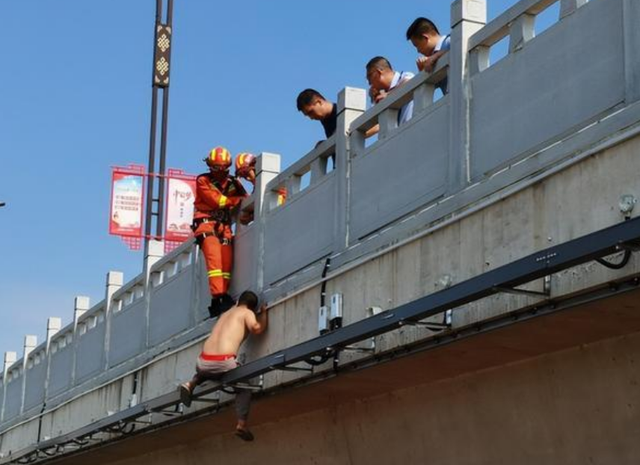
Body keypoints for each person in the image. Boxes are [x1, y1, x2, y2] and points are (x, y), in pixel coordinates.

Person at [179, 290, 268, 441]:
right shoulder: (246, 313)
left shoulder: (225, 313)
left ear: (238, 301)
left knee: (205, 371)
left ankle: (190, 384)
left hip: (202, 362)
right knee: (244, 386)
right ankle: (241, 424)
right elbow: (257, 329)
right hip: (221, 363)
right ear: (252, 307)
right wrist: (264, 313)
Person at [193, 147, 248, 318]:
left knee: (226, 262)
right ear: (210, 166)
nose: (220, 171)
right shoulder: (203, 180)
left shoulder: (233, 183)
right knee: (215, 261)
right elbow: (217, 200)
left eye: (224, 167)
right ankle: (218, 296)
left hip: (224, 226)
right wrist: (235, 201)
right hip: (206, 225)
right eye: (216, 167)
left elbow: (246, 198)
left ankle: (221, 298)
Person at [365, 57, 415, 137]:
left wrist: (388, 94)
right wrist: (374, 101)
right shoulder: (383, 94)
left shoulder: (404, 77)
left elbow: (410, 81)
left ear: (378, 72)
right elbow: (377, 125)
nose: (369, 84)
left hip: (413, 133)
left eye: (369, 78)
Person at [406, 17, 451, 94]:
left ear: (425, 38)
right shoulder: (430, 61)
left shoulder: (449, 40)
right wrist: (422, 72)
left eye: (417, 45)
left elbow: (460, 46)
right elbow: (432, 86)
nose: (418, 51)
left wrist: (436, 56)